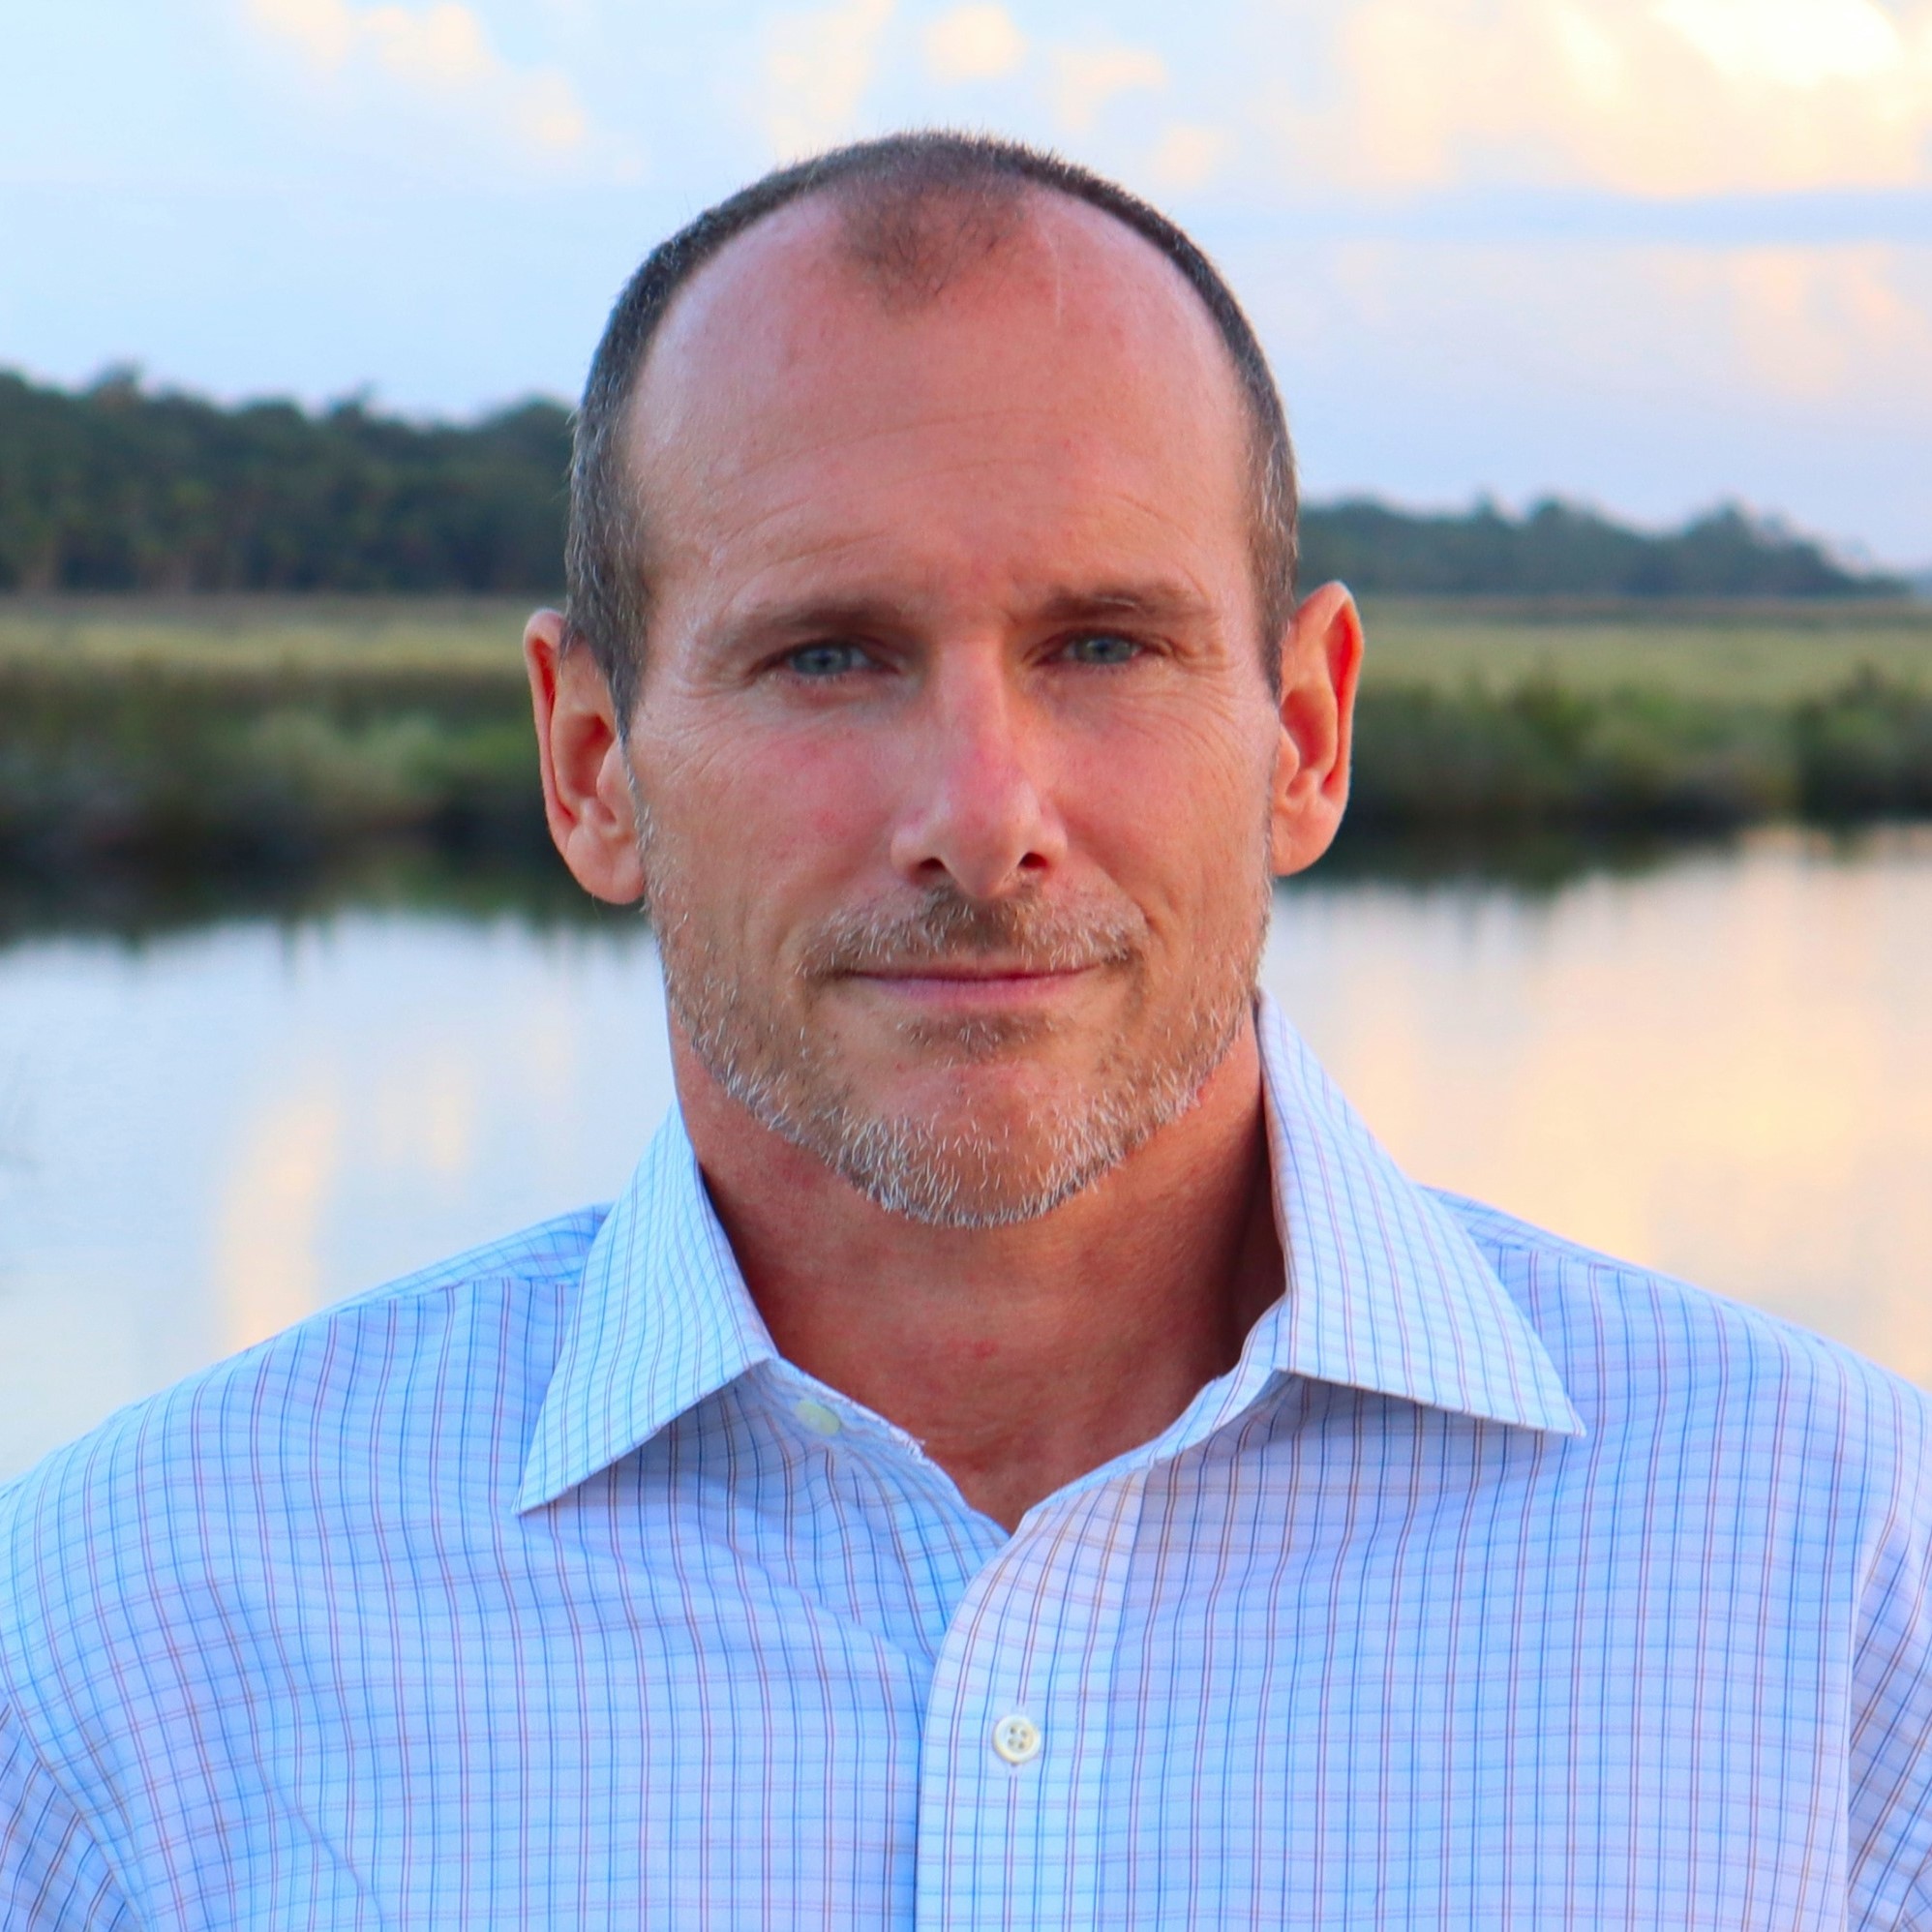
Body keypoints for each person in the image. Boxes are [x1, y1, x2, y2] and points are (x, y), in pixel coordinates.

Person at [3, 132, 1930, 1930]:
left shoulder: (1843, 1576)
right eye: (828, 654)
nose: (982, 817)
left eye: (1101, 645)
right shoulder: (123, 1639)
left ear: (1305, 733)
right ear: (589, 763)